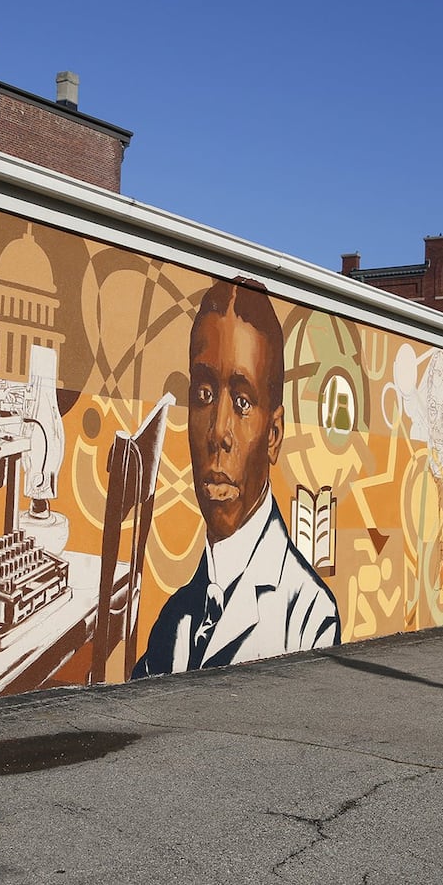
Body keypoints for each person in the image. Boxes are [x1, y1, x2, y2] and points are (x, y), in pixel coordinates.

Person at [133, 279, 340, 676]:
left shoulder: (309, 619)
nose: (218, 432)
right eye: (204, 396)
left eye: (242, 402)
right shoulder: (174, 620)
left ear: (274, 435)